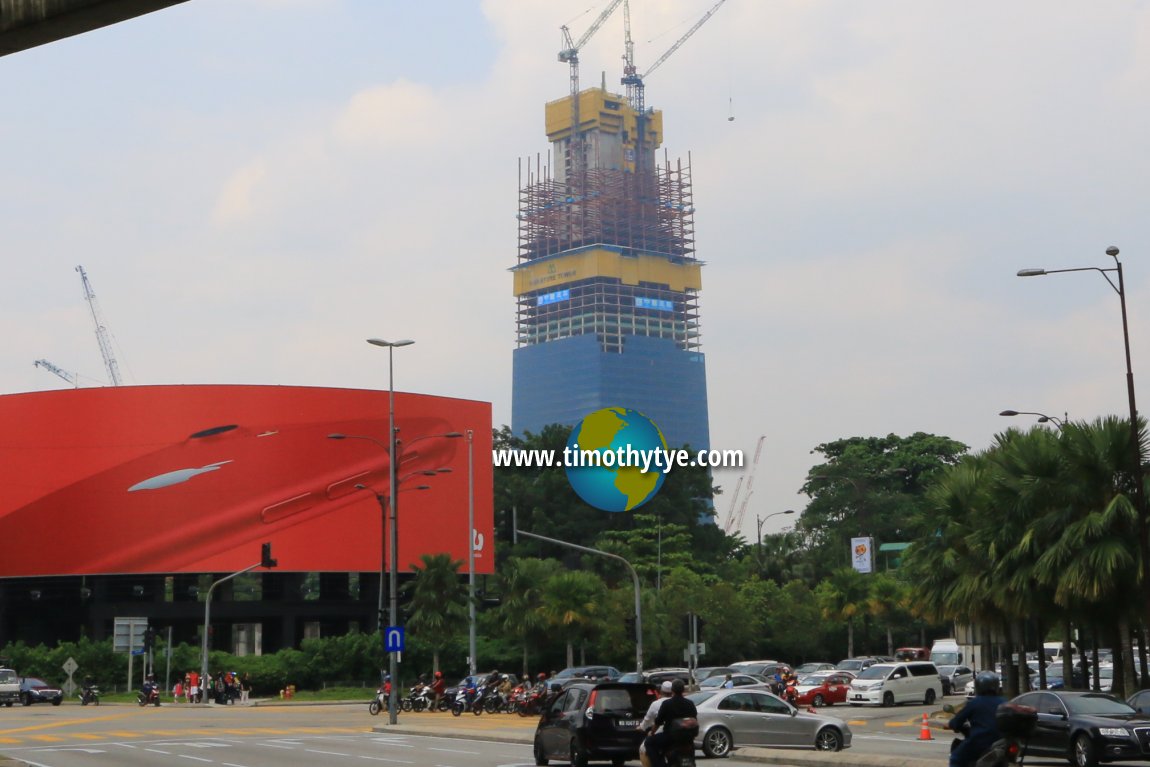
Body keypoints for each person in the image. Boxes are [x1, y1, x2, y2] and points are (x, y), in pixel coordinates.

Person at [948, 671, 1005, 767]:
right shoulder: (1004, 702)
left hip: (979, 742)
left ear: (978, 686)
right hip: (1001, 743)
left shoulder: (974, 703)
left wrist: (952, 724)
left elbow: (956, 722)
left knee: (955, 758)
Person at [645, 679, 698, 767]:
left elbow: (658, 721)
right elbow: (695, 719)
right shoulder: (690, 703)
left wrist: (652, 732)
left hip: (670, 737)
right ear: (683, 690)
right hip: (687, 739)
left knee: (649, 743)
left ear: (672, 690)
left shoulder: (667, 704)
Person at [638, 682, 675, 767]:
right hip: (681, 734)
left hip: (663, 734)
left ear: (661, 691)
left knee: (644, 747)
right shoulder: (679, 702)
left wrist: (642, 727)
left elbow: (648, 720)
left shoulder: (657, 704)